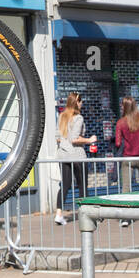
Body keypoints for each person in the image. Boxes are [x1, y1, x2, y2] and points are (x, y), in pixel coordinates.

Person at [53, 93, 93, 226]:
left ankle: (59, 214)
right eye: (81, 101)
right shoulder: (79, 118)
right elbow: (75, 139)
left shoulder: (61, 116)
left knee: (65, 184)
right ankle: (85, 214)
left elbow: (58, 137)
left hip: (63, 155)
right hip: (77, 155)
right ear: (77, 103)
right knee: (82, 185)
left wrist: (64, 146)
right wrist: (89, 140)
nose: (82, 104)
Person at [114, 97, 139, 194]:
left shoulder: (120, 122)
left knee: (126, 188)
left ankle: (126, 206)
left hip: (127, 158)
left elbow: (117, 143)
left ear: (124, 107)